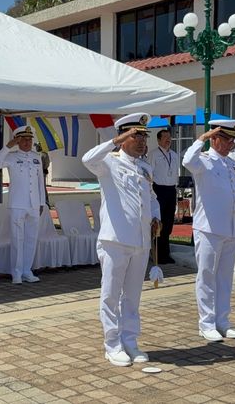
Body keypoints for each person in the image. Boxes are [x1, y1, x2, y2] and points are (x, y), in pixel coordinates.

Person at [82, 113, 161, 367]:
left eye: (144, 136)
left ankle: (130, 340)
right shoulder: (108, 162)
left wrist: (156, 217)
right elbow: (87, 159)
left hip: (140, 241)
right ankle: (112, 344)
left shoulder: (145, 168)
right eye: (136, 136)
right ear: (124, 137)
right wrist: (114, 141)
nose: (142, 141)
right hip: (115, 240)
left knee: (132, 296)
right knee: (111, 295)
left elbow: (152, 198)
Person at [182, 119, 235, 342]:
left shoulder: (231, 164)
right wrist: (202, 138)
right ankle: (206, 323)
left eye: (233, 140)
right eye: (227, 139)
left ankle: (223, 321)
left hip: (230, 228)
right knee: (207, 277)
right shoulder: (203, 160)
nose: (231, 144)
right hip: (208, 229)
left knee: (225, 278)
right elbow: (187, 160)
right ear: (215, 139)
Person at [0, 125, 45, 284]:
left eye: (30, 139)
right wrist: (8, 146)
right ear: (18, 141)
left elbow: (40, 182)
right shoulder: (11, 156)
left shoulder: (36, 157)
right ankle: (16, 272)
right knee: (17, 239)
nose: (27, 142)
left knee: (31, 239)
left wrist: (41, 202)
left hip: (34, 204)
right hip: (17, 204)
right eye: (24, 139)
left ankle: (27, 271)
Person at [147, 128, 179, 264]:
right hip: (159, 190)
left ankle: (166, 253)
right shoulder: (153, 154)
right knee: (159, 222)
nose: (168, 140)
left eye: (169, 137)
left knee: (168, 222)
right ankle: (157, 254)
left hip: (171, 190)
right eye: (165, 137)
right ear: (158, 140)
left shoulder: (174, 155)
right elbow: (149, 174)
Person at [36, 142, 51, 206]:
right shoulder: (41, 154)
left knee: (42, 188)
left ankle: (46, 202)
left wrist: (44, 169)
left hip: (41, 173)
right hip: (40, 173)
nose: (36, 148)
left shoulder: (43, 154)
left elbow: (45, 164)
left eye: (37, 146)